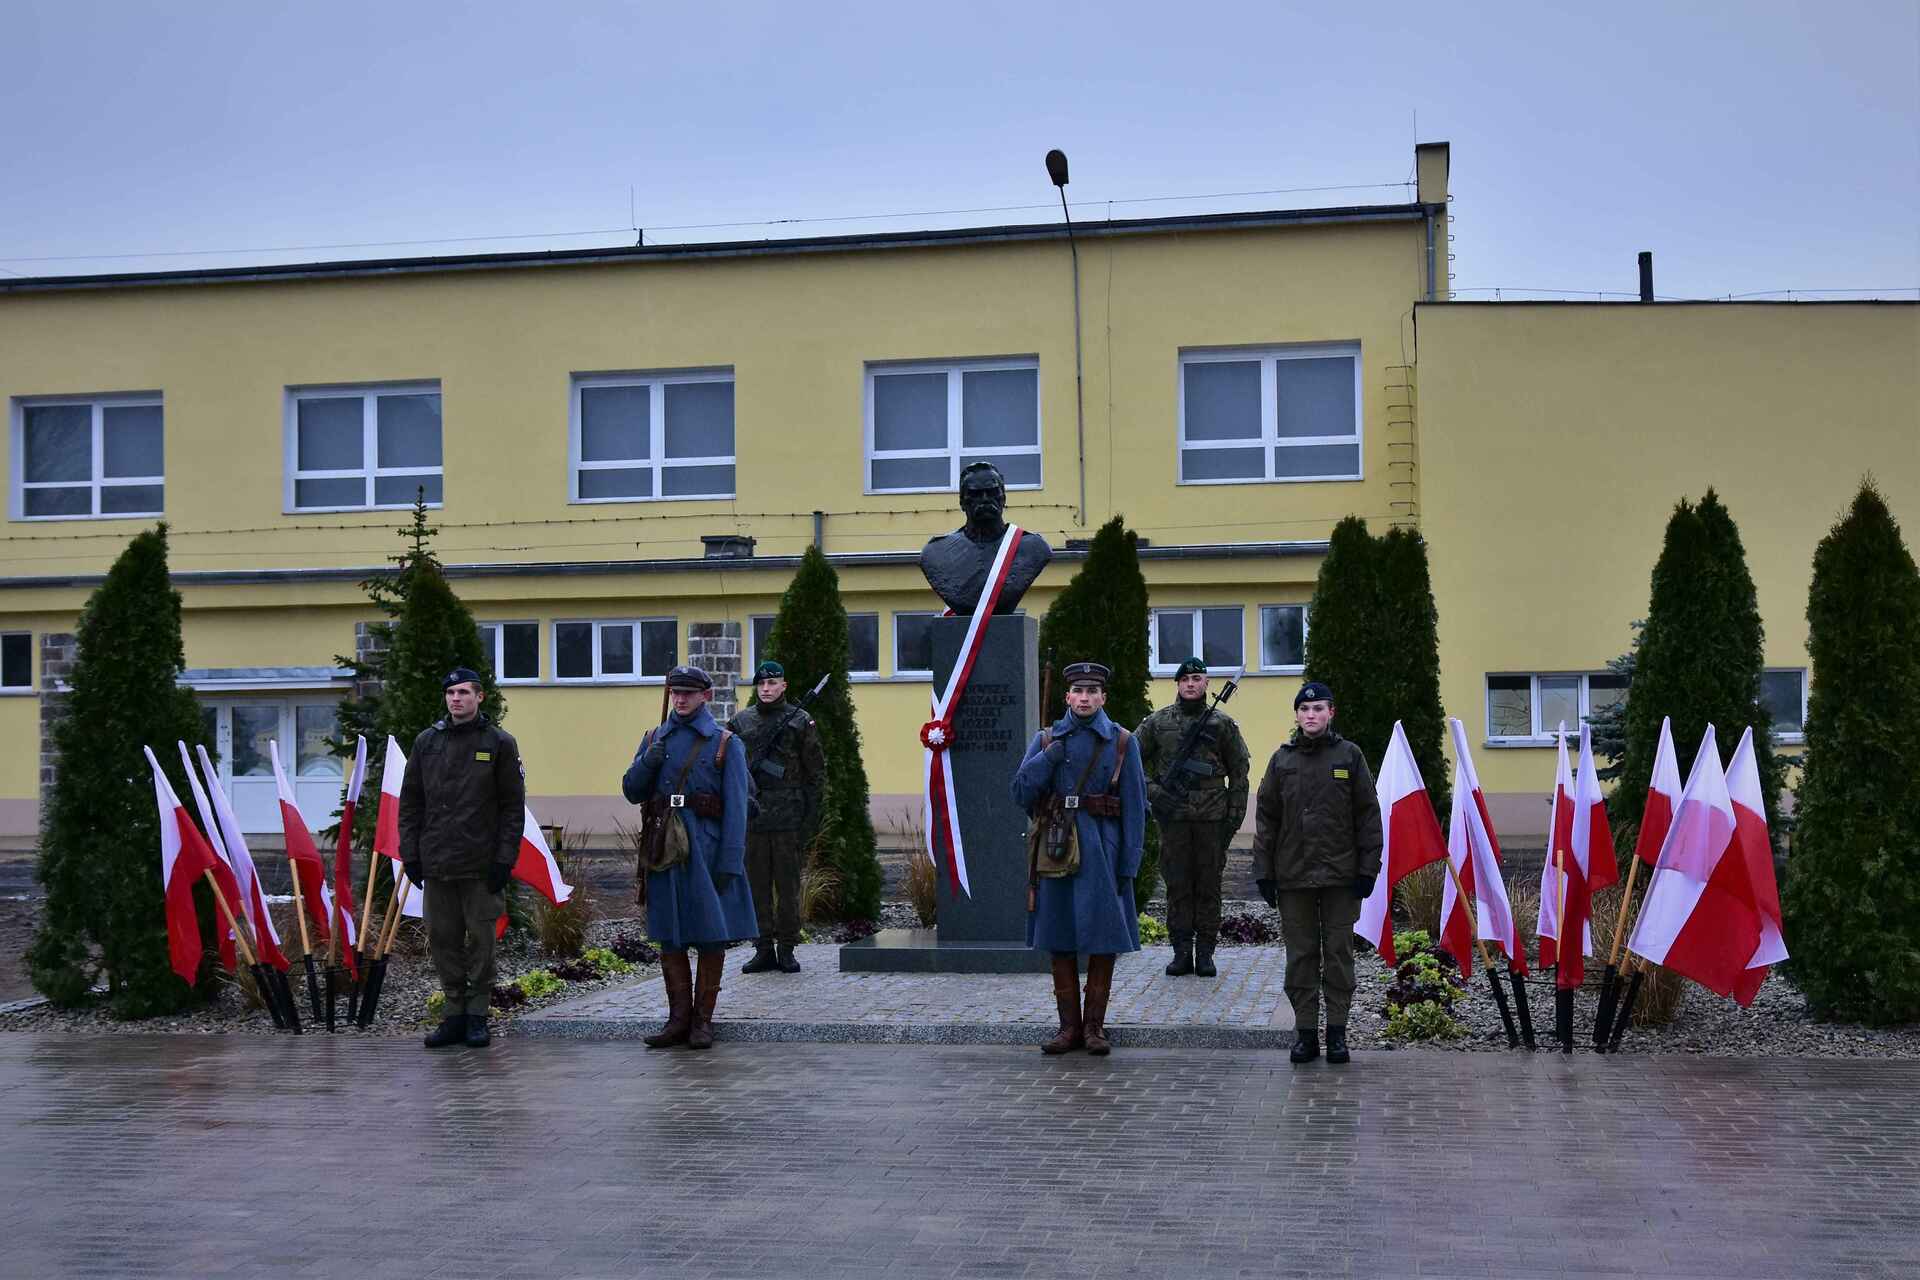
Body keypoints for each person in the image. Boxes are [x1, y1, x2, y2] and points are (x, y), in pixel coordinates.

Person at [1011, 661, 1146, 1055]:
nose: (1085, 698)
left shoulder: (1122, 741)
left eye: (1092, 692)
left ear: (1103, 697)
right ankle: (1068, 1028)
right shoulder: (1046, 739)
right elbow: (1020, 793)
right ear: (1067, 696)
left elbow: (1136, 808)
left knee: (1103, 941)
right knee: (1060, 938)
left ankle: (1095, 1029)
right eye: (1078, 692)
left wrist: (1130, 864)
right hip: (1056, 849)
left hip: (1103, 852)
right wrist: (1048, 759)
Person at [622, 665, 755, 1050]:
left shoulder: (725, 743)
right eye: (675, 692)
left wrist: (730, 859)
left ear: (705, 697)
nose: (680, 699)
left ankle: (702, 1021)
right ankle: (677, 1020)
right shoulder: (653, 738)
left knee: (710, 936)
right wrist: (650, 760)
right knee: (670, 935)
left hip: (706, 848)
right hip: (665, 848)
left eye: (688, 693)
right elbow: (632, 790)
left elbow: (737, 808)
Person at [1251, 681, 1383, 1066]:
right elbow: (1267, 820)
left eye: (1319, 709)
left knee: (1339, 955)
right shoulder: (1282, 760)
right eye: (1305, 710)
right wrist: (1265, 872)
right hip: (1293, 878)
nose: (1311, 715)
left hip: (1341, 878)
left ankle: (1338, 1034)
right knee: (1301, 956)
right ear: (1297, 715)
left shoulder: (1349, 756)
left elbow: (1368, 817)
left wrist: (1367, 869)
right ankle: (1306, 1034)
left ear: (1331, 713)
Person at [400, 667, 526, 1051]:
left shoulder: (499, 743)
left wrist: (505, 859)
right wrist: (411, 855)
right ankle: (453, 1014)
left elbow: (511, 808)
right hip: (437, 861)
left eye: (464, 692)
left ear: (479, 697)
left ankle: (477, 1015)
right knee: (443, 941)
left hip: (481, 863)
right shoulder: (427, 742)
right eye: (451, 692)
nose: (456, 699)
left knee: (482, 942)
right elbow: (410, 804)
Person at [1136, 657, 1250, 978]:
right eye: (1185, 678)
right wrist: (1155, 793)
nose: (1190, 684)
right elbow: (1130, 760)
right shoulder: (1157, 723)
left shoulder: (1222, 725)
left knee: (1209, 887)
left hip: (1212, 820)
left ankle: (1206, 953)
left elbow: (1240, 772)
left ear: (1206, 684)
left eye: (1197, 678)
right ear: (1177, 684)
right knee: (1178, 886)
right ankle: (1181, 951)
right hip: (1173, 820)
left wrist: (1234, 818)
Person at [727, 660, 825, 975]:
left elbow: (815, 772)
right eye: (762, 684)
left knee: (788, 888)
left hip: (788, 820)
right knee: (756, 888)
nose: (767, 689)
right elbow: (729, 770)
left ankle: (786, 949)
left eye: (773, 684)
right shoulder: (741, 722)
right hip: (754, 818)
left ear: (784, 686)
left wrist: (809, 818)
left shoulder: (800, 721)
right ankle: (763, 949)